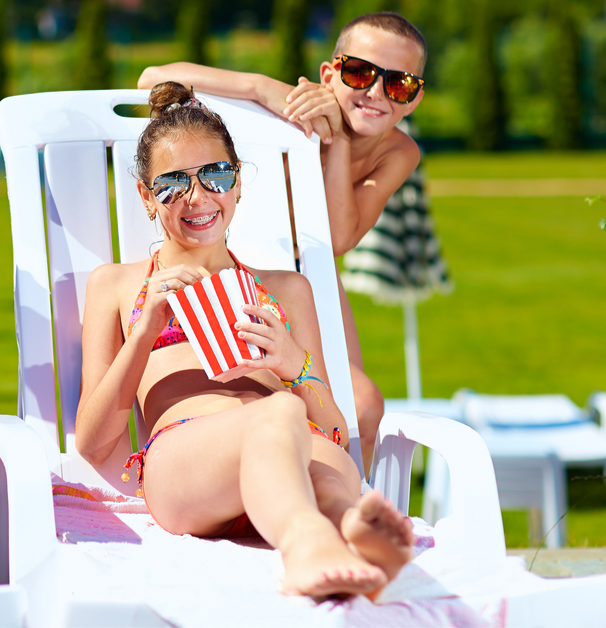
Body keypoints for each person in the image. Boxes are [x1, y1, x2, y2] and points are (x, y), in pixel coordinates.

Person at [76, 82, 413, 598]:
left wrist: (293, 364)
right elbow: (92, 441)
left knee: (324, 468)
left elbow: (337, 432)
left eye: (215, 175)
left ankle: (349, 531)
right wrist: (144, 333)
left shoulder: (285, 289)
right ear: (146, 197)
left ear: (237, 185)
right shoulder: (119, 286)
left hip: (294, 456)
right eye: (173, 183)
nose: (198, 197)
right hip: (189, 467)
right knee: (279, 417)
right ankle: (307, 545)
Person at [137, 13, 427, 473]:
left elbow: (335, 238)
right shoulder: (291, 106)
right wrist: (259, 87)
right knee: (259, 394)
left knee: (365, 408)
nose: (375, 93)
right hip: (245, 269)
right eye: (360, 73)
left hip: (314, 275)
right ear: (330, 74)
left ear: (415, 98)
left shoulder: (399, 151)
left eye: (399, 85)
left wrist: (337, 140)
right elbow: (152, 80)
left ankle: (344, 491)